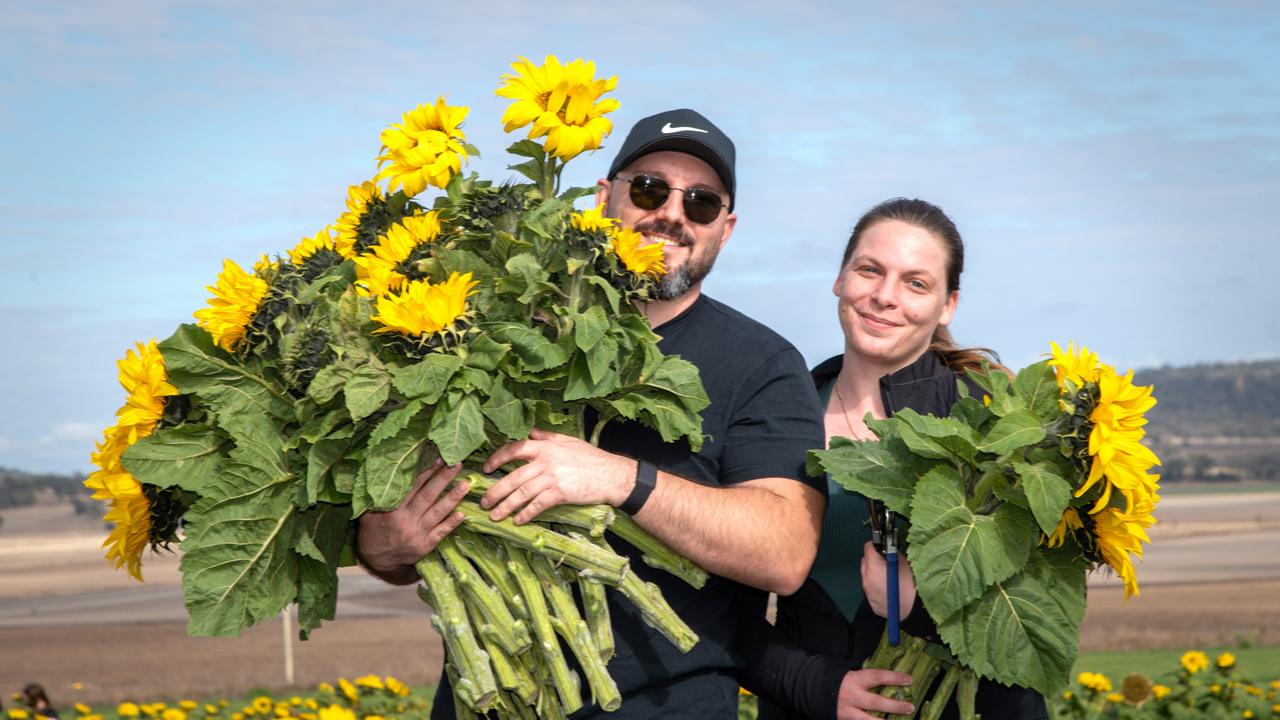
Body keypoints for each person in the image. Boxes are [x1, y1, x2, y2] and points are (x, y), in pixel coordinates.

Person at [356, 108, 828, 719]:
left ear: (726, 228)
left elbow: (785, 553)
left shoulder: (762, 363)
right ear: (605, 197)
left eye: (701, 203)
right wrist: (384, 545)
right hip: (482, 700)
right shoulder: (495, 331)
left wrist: (617, 478)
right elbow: (402, 522)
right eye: (650, 188)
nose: (672, 215)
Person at [736, 198, 1048, 720]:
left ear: (947, 305)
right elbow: (720, 609)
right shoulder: (778, 410)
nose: (884, 296)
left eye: (915, 283)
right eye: (869, 270)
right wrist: (812, 684)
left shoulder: (989, 415)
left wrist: (922, 605)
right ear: (840, 279)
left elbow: (1041, 603)